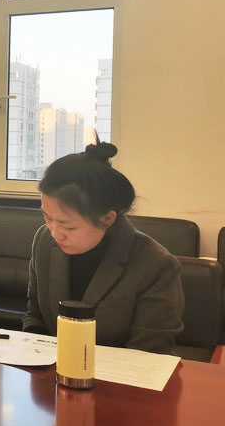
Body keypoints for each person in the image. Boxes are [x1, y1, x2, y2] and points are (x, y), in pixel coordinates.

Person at [23, 141, 183, 354]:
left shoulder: (155, 265)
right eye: (47, 217)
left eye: (68, 226)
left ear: (108, 219)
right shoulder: (44, 241)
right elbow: (36, 317)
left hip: (121, 373)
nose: (54, 233)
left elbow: (150, 353)